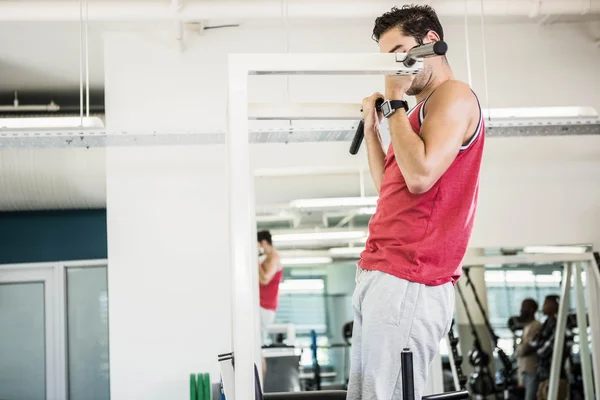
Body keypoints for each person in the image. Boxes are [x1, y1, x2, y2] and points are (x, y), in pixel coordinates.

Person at [349, 5, 485, 400]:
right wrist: (374, 130)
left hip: (410, 275)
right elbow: (391, 189)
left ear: (430, 43)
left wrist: (394, 102)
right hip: (382, 271)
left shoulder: (453, 96)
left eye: (401, 52)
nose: (395, 67)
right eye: (388, 59)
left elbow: (421, 177)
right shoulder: (413, 116)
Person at [527, 295, 569, 400]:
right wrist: (539, 343)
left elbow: (543, 350)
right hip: (543, 376)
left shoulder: (558, 326)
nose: (543, 306)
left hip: (555, 376)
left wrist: (539, 345)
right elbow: (533, 343)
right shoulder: (545, 325)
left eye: (546, 304)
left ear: (554, 306)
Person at [257, 230, 283, 377]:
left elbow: (265, 279)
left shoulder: (273, 258)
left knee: (258, 349)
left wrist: (255, 262)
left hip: (265, 308)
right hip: (261, 306)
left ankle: (259, 388)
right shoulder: (266, 259)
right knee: (257, 348)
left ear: (264, 243)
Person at [515, 298, 542, 400]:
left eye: (524, 307)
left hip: (533, 371)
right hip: (525, 371)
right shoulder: (527, 327)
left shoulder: (536, 326)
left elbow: (528, 348)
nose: (521, 310)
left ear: (531, 309)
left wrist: (520, 349)